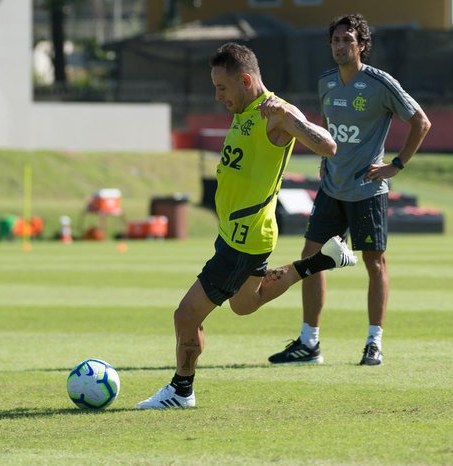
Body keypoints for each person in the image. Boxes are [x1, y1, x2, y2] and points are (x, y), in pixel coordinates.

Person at [135, 43, 357, 410]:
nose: (217, 95)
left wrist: (291, 117)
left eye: (222, 87)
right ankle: (323, 260)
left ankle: (181, 390)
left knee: (186, 315)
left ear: (245, 80)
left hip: (245, 237)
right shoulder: (245, 108)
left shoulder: (277, 114)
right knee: (245, 305)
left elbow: (329, 146)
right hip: (238, 234)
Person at [268, 14, 431, 367]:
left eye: (348, 40)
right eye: (336, 40)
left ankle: (374, 343)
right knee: (311, 260)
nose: (341, 45)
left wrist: (396, 165)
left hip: (367, 190)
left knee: (375, 264)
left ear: (362, 45)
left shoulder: (379, 83)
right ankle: (309, 343)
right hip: (331, 188)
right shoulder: (326, 83)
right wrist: (326, 154)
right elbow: (326, 125)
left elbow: (421, 121)